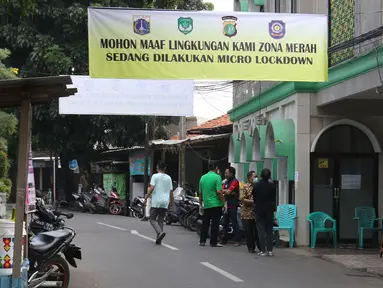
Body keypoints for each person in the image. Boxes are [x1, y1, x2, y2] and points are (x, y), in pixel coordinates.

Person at [143, 161, 174, 245]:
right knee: (160, 219)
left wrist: (146, 197)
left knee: (152, 219)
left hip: (156, 201)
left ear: (157, 168)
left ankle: (160, 232)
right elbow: (171, 191)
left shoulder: (155, 176)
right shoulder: (169, 178)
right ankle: (158, 239)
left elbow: (152, 187)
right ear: (165, 168)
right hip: (165, 202)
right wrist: (172, 203)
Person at [199, 162, 225, 247]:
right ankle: (213, 242)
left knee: (205, 223)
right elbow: (219, 192)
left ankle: (202, 241)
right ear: (216, 168)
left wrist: (200, 204)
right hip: (216, 204)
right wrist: (224, 202)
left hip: (206, 204)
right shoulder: (217, 177)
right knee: (215, 223)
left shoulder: (202, 178)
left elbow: (200, 193)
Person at [253, 168, 276, 256]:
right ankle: (270, 250)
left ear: (261, 176)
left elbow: (254, 197)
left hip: (259, 209)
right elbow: (273, 198)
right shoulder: (272, 186)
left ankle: (263, 250)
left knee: (261, 230)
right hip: (269, 209)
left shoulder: (257, 185)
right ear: (269, 176)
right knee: (269, 230)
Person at [240, 170, 260, 253]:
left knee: (258, 231)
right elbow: (242, 199)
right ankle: (251, 247)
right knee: (249, 232)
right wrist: (253, 202)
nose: (256, 178)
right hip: (247, 213)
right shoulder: (244, 187)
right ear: (249, 178)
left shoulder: (258, 186)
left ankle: (261, 247)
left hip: (257, 213)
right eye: (254, 176)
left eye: (256, 176)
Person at [220, 167, 241, 246]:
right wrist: (226, 191)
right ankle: (224, 239)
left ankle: (237, 240)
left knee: (234, 222)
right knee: (225, 222)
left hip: (233, 204)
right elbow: (221, 190)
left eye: (226, 173)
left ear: (231, 173)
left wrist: (226, 191)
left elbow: (228, 192)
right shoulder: (226, 182)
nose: (225, 174)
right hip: (226, 204)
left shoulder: (235, 181)